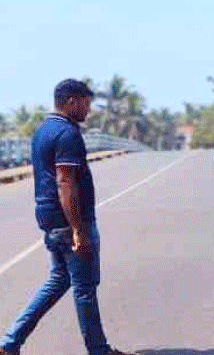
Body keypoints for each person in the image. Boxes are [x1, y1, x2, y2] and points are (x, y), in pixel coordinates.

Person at [0, 79, 132, 355]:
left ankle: (9, 342)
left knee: (58, 280)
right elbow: (65, 182)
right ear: (72, 101)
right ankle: (99, 350)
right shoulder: (67, 134)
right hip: (68, 222)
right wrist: (78, 229)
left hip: (49, 220)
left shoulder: (43, 130)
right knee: (85, 288)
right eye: (85, 103)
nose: (88, 110)